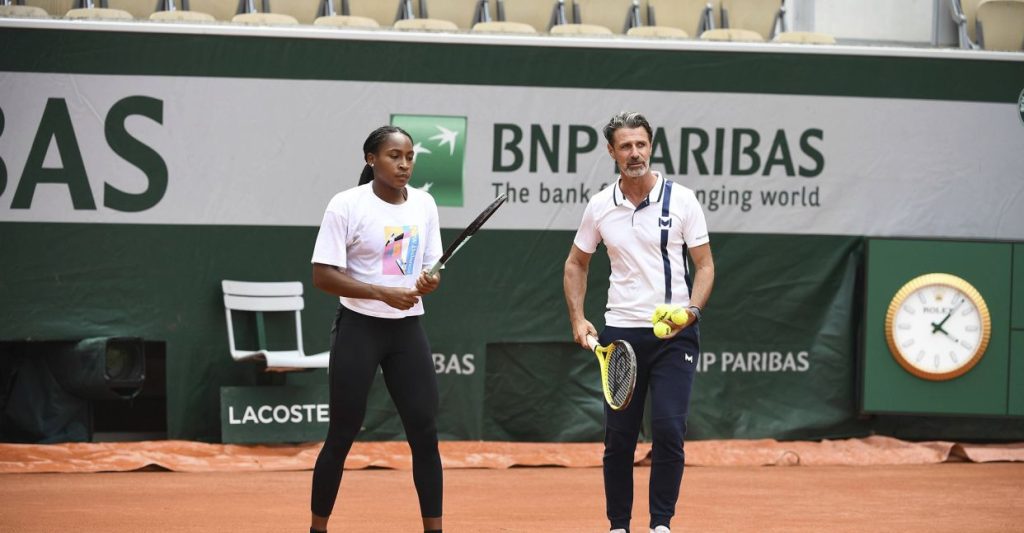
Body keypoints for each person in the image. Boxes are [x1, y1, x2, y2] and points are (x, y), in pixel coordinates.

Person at [563, 111, 715, 533]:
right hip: (620, 337)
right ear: (611, 152)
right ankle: (618, 526)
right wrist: (578, 319)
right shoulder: (600, 206)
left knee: (669, 430)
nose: (635, 153)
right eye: (625, 146)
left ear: (651, 146)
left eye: (641, 144)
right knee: (619, 441)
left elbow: (704, 267)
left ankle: (661, 524)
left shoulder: (682, 200)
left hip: (674, 335)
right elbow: (576, 264)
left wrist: (692, 311)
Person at [308, 125, 444, 533]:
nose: (404, 164)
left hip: (407, 331)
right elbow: (322, 276)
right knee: (342, 434)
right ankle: (317, 528)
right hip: (359, 329)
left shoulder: (424, 204)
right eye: (393, 156)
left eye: (409, 157)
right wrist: (380, 293)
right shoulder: (346, 205)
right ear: (371, 159)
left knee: (425, 433)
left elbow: (430, 269)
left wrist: (428, 282)